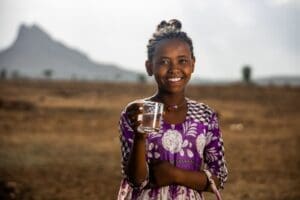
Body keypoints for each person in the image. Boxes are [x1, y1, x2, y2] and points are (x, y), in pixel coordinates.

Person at [117, 19, 228, 200]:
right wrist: (140, 136)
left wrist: (175, 175)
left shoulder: (205, 116)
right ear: (149, 67)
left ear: (193, 64)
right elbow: (135, 180)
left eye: (182, 61)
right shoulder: (140, 112)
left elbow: (219, 177)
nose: (174, 69)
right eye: (164, 62)